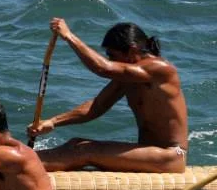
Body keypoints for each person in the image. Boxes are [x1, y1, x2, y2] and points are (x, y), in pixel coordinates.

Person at [27, 18, 189, 174]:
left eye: (112, 55)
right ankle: (25, 160)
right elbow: (96, 106)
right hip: (149, 152)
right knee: (76, 143)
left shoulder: (160, 69)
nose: (110, 60)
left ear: (132, 51)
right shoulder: (130, 77)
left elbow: (103, 68)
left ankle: (21, 164)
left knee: (84, 149)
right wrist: (53, 122)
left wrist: (69, 36)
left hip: (171, 156)